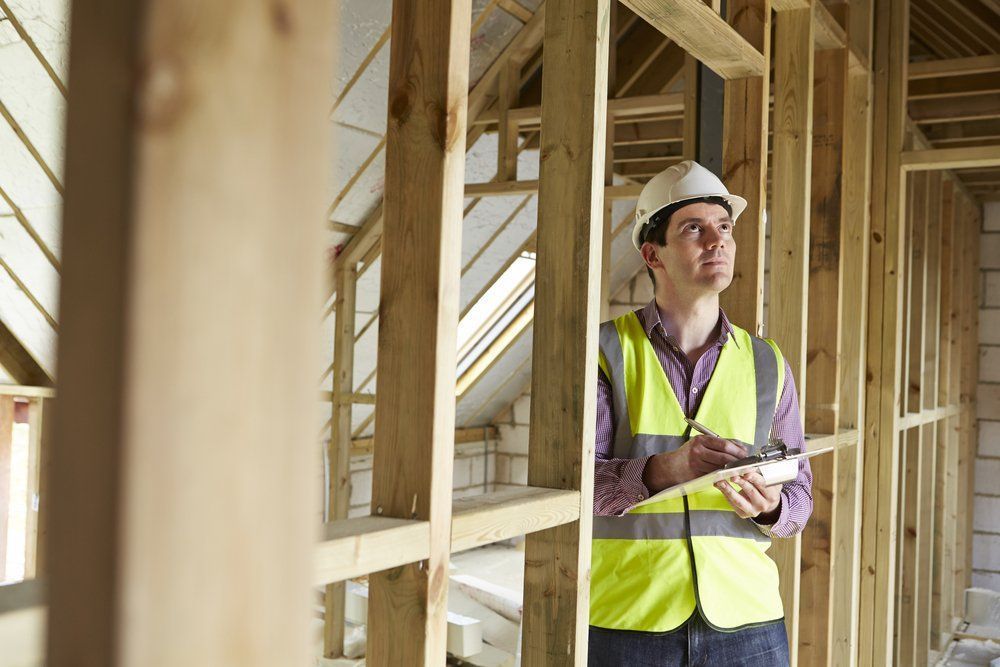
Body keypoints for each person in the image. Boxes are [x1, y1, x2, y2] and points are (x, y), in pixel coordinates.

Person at [589, 160, 813, 666]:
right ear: (653, 254)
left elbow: (800, 494)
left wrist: (770, 506)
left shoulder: (766, 362)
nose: (718, 241)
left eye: (725, 227)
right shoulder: (605, 352)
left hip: (747, 620)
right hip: (629, 617)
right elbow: (573, 485)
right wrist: (666, 470)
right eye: (694, 228)